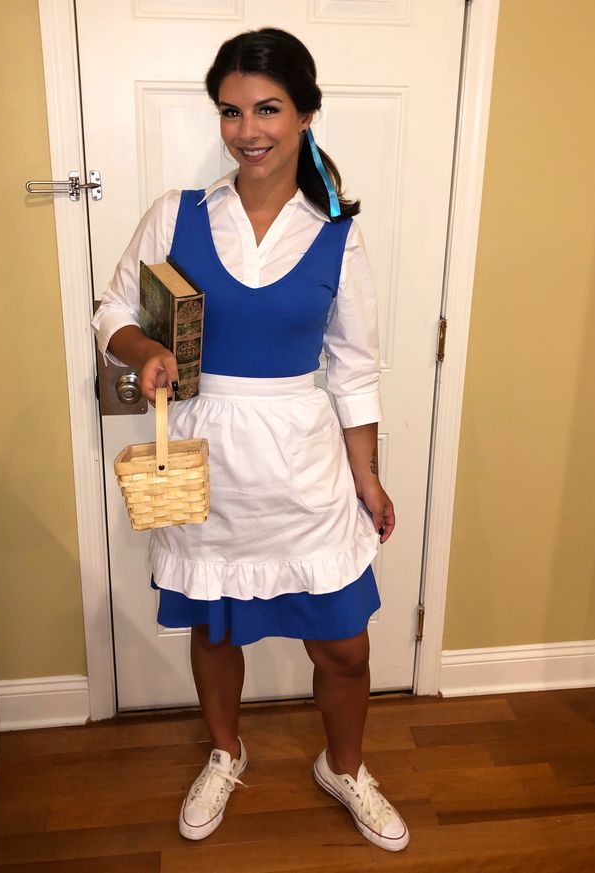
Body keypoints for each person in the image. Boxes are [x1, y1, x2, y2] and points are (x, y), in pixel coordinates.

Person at [92, 27, 409, 853]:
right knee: (215, 627)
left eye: (267, 108)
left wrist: (367, 480)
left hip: (303, 463)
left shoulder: (339, 233)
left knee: (343, 645)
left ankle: (344, 766)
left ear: (305, 113)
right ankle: (226, 750)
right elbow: (113, 312)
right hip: (209, 459)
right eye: (230, 112)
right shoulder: (178, 214)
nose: (248, 130)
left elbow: (354, 369)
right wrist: (145, 351)